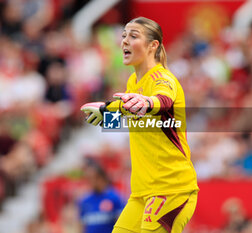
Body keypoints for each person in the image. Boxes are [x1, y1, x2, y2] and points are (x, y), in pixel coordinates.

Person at [81, 17, 199, 233]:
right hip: (142, 193)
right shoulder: (133, 82)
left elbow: (161, 101)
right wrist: (107, 112)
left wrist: (146, 102)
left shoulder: (163, 78)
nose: (124, 41)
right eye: (124, 35)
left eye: (133, 36)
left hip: (172, 190)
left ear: (153, 46)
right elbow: (133, 114)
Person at [77, 159, 124, 233]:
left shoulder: (114, 198)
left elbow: (121, 224)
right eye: (88, 178)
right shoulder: (84, 201)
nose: (89, 181)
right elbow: (81, 226)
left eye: (91, 178)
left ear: (100, 178)